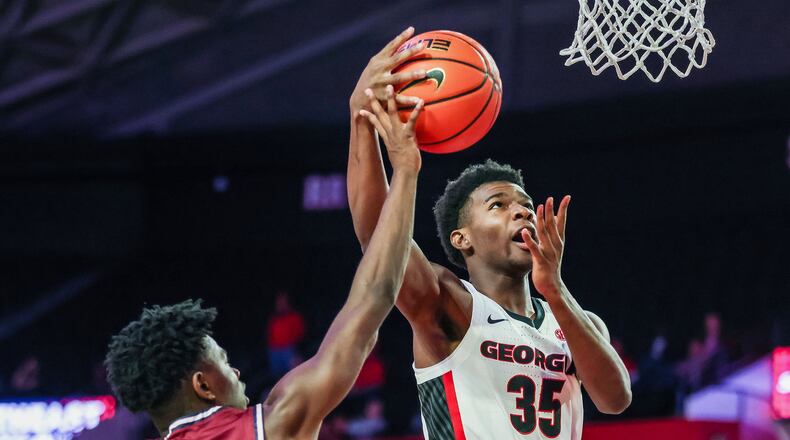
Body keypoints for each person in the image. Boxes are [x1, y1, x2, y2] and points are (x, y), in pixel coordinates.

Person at [348, 27, 632, 439]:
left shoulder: (577, 322)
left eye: (525, 205)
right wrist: (361, 119)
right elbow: (377, 238)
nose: (520, 211)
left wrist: (555, 289)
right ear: (462, 238)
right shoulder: (448, 302)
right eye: (498, 205)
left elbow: (615, 398)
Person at [104, 90, 425, 439]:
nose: (237, 372)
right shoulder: (270, 426)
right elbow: (373, 298)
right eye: (224, 363)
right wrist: (404, 169)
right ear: (203, 385)